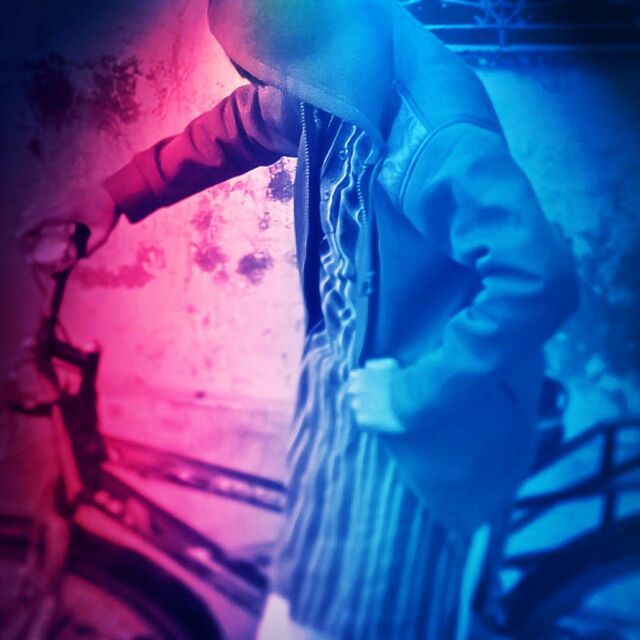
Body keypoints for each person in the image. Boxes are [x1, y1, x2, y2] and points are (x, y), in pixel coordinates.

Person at [21, 1, 579, 638]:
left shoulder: (436, 138)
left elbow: (538, 279)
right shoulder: (337, 72)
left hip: (415, 429)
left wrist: (414, 393)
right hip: (343, 387)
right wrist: (117, 194)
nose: (265, 88)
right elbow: (246, 124)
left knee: (361, 622)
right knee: (299, 609)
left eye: (272, 72)